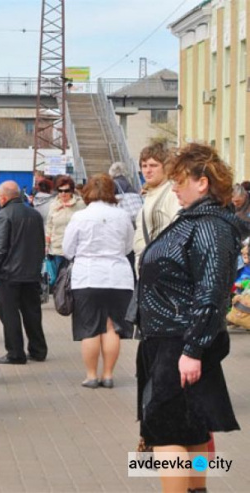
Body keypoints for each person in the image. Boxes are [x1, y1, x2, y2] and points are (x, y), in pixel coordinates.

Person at [136, 143, 241, 493]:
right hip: (174, 339)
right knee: (192, 428)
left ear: (203, 183)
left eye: (181, 180)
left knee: (166, 432)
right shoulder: (198, 221)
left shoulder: (209, 226)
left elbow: (212, 292)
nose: (175, 187)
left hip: (179, 341)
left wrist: (193, 349)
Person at [62, 174, 134, 388]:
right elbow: (128, 246)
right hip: (118, 277)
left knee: (90, 328)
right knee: (111, 328)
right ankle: (109, 374)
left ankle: (92, 375)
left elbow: (67, 250)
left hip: (87, 277)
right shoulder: (122, 216)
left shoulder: (80, 217)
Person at [0, 181, 47, 365]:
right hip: (31, 273)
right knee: (32, 312)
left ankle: (15, 353)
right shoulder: (35, 215)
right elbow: (40, 244)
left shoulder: (3, 215)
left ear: (3, 198)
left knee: (9, 314)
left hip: (9, 274)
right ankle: (38, 350)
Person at [133, 141, 182, 267]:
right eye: (144, 166)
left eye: (153, 165)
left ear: (165, 167)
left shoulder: (172, 192)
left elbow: (179, 231)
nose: (148, 170)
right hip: (146, 268)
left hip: (162, 266)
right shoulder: (149, 194)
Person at [46, 175, 85, 272]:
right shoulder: (53, 205)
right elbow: (49, 226)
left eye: (66, 190)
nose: (63, 193)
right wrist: (46, 245)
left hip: (75, 250)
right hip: (56, 250)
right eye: (60, 191)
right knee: (56, 282)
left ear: (71, 191)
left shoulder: (81, 205)